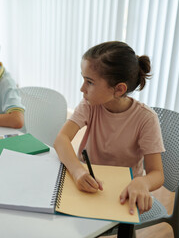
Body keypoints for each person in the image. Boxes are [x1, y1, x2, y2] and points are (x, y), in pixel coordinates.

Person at [54, 41, 165, 215]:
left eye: (89, 82)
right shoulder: (89, 105)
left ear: (119, 89)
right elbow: (61, 139)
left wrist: (142, 183)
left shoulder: (146, 119)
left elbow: (157, 173)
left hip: (123, 191)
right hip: (88, 183)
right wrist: (77, 172)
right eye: (83, 79)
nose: (82, 88)